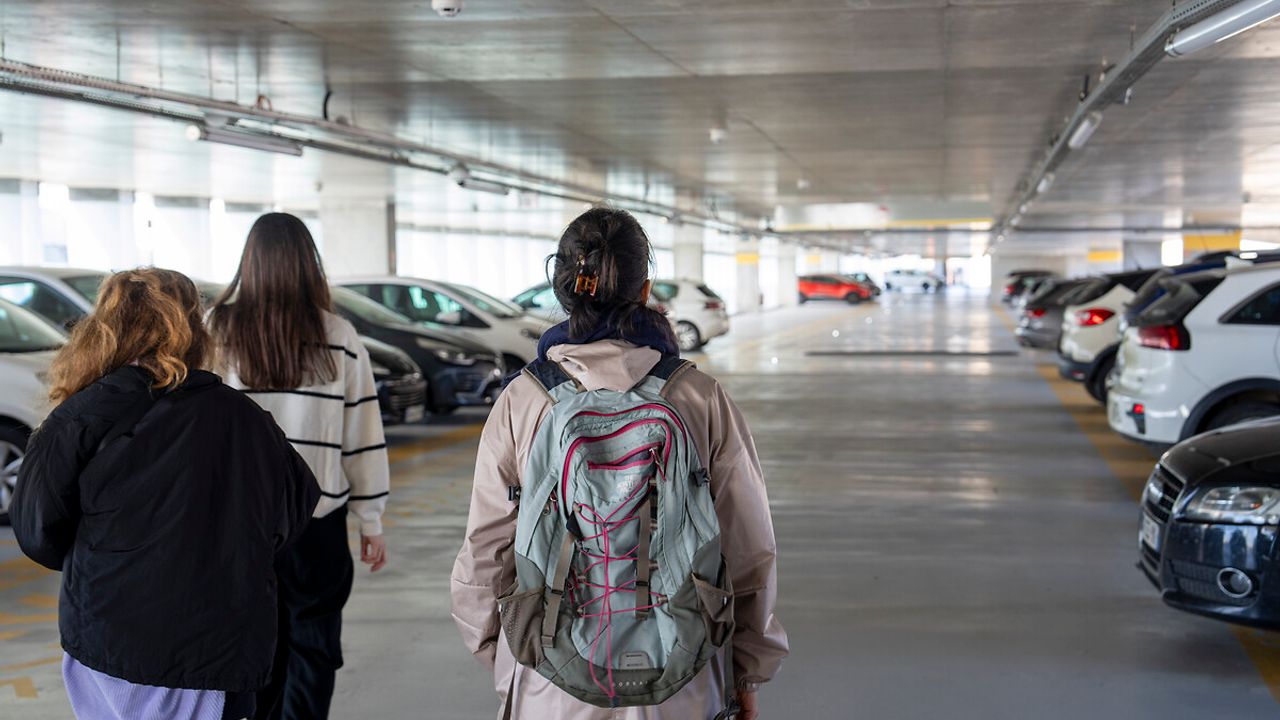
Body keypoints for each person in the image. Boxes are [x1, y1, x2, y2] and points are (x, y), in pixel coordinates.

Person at [451, 207, 789, 719]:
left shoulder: (524, 400)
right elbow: (749, 548)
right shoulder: (699, 397)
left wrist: (504, 658)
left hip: (552, 672)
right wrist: (747, 670)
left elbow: (485, 552)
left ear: (562, 291)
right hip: (684, 674)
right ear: (646, 290)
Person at [11, 268, 320, 720]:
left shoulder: (79, 416)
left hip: (109, 638)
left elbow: (37, 530)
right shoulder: (246, 418)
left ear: (105, 328)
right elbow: (292, 511)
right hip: (219, 644)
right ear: (195, 330)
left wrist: (109, 558)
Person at [208, 212, 390, 720]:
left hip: (238, 529)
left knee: (250, 656)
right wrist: (371, 520)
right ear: (309, 265)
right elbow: (363, 436)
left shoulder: (216, 332)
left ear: (251, 263)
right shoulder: (340, 336)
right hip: (317, 525)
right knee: (313, 653)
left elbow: (196, 434)